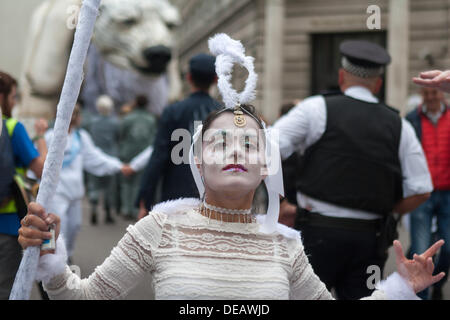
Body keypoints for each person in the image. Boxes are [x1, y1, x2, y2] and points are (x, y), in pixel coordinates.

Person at [16, 33, 445, 301]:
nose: (235, 151)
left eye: (248, 144)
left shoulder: (285, 244)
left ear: (266, 165)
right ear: (198, 161)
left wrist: (400, 288)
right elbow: (84, 298)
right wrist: (50, 260)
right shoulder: (159, 228)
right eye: (220, 142)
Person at [273, 40, 434, 299]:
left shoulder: (315, 108)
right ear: (378, 84)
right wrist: (387, 208)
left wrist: (278, 203)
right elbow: (422, 189)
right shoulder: (399, 125)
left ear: (341, 76)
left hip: (317, 235)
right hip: (369, 241)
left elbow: (268, 148)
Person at [136, 53, 221, 220]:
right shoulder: (223, 113)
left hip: (176, 195)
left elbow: (158, 156)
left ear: (189, 78)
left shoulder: (173, 111)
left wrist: (146, 198)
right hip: (215, 194)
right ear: (216, 79)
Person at [44, 102, 131, 262]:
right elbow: (39, 161)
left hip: (75, 193)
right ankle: (53, 260)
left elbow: (95, 158)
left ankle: (67, 256)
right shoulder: (51, 136)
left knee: (74, 227)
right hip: (57, 193)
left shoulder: (81, 137)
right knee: (57, 229)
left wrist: (118, 166)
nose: (78, 118)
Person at [0, 71, 47, 299]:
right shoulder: (11, 127)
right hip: (9, 223)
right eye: (12, 96)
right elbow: (42, 170)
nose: (14, 102)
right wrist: (41, 138)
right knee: (8, 288)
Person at [405, 86, 450, 300]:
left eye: (435, 93)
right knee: (421, 252)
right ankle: (421, 296)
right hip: (422, 194)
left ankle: (438, 282)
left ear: (443, 94)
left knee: (448, 247)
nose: (431, 97)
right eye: (427, 93)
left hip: (448, 194)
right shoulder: (412, 119)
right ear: (422, 95)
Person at [118, 95, 157, 220]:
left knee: (126, 182)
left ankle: (126, 208)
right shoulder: (151, 119)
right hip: (144, 153)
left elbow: (121, 135)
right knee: (139, 183)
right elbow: (154, 137)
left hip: (128, 152)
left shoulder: (128, 118)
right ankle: (136, 209)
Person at [87, 95, 120, 225]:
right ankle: (108, 213)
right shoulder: (115, 123)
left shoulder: (92, 122)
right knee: (108, 187)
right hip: (110, 156)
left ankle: (94, 209)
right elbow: (118, 138)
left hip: (95, 156)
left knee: (94, 185)